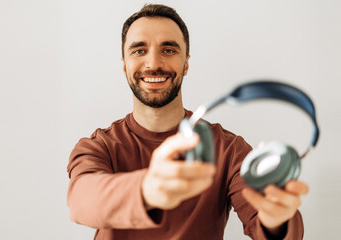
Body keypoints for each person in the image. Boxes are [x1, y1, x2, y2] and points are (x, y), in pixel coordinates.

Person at [67, 4, 309, 240]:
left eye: (168, 50)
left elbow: (269, 223)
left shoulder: (228, 149)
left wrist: (276, 220)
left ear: (186, 63)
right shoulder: (97, 146)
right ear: (124, 65)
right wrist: (147, 189)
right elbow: (81, 201)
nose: (153, 63)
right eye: (139, 50)